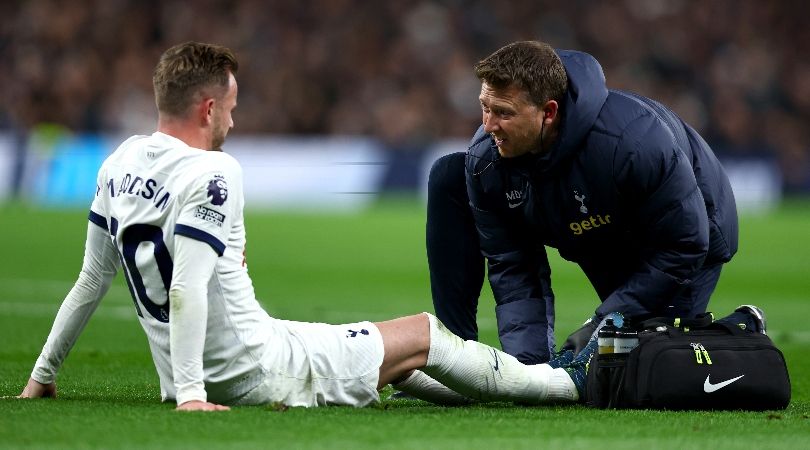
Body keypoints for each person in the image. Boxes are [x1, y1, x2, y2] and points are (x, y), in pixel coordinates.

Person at [18, 41, 595, 411]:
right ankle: (569, 384)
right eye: (233, 105)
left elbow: (93, 279)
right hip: (255, 372)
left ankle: (475, 388)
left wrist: (42, 375)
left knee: (388, 357)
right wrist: (192, 398)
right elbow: (188, 286)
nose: (236, 117)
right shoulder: (215, 171)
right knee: (424, 333)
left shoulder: (118, 161)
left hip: (219, 359)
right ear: (208, 109)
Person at [426, 41, 739, 365]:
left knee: (646, 361)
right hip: (592, 229)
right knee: (450, 174)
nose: (489, 125)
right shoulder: (488, 158)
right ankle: (455, 356)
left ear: (548, 112)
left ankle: (741, 328)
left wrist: (603, 320)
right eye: (485, 107)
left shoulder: (632, 143)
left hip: (688, 231)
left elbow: (684, 244)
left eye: (504, 113)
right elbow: (513, 266)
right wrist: (528, 368)